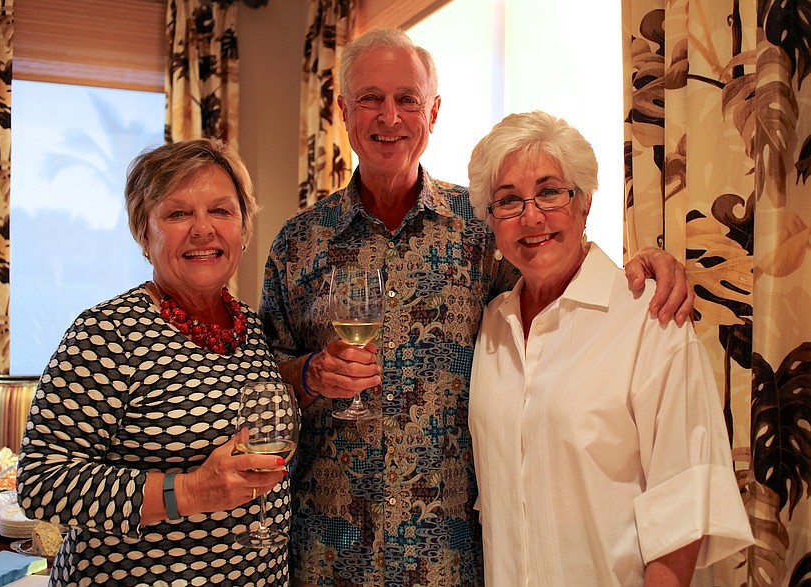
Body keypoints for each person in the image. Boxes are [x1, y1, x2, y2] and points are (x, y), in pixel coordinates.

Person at [259, 28, 694, 587]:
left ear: (432, 112)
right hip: (330, 550)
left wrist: (648, 262)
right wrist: (310, 372)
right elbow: (261, 377)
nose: (389, 116)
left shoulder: (485, 225)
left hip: (456, 558)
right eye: (370, 98)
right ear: (344, 110)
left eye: (407, 100)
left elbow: (561, 269)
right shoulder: (298, 244)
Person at [467, 111, 754, 586]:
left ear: (585, 202)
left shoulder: (649, 317)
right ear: (491, 222)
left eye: (550, 191)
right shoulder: (491, 326)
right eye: (508, 201)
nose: (531, 215)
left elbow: (681, 503)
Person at [17, 139, 292, 586]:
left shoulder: (256, 330)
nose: (203, 230)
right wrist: (188, 491)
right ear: (144, 233)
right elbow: (41, 483)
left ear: (243, 228)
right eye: (178, 213)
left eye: (221, 211)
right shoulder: (108, 333)